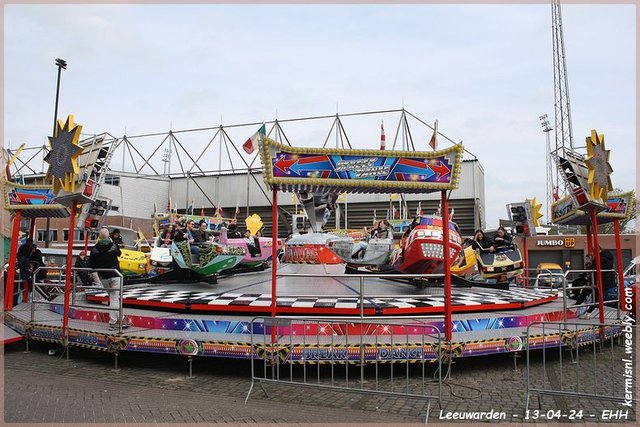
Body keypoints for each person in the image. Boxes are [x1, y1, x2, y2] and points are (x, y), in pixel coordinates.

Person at [90, 228, 128, 331]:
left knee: (113, 297)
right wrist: (112, 243)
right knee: (115, 298)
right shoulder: (113, 246)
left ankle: (122, 319)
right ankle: (112, 322)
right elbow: (119, 253)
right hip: (115, 275)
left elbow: (92, 265)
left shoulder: (94, 249)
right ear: (108, 236)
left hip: (103, 277)